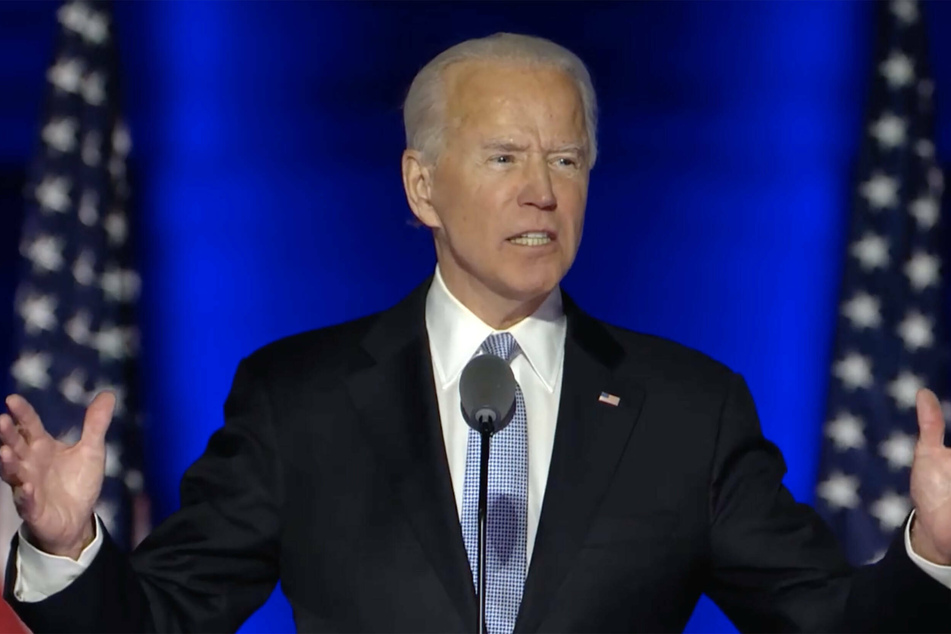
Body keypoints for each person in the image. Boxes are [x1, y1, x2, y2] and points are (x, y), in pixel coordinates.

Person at [1, 32, 950, 633]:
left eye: (567, 158)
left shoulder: (687, 409)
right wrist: (65, 545)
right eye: (504, 157)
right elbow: (162, 617)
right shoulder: (300, 399)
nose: (542, 189)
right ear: (423, 187)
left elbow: (828, 620)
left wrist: (930, 552)